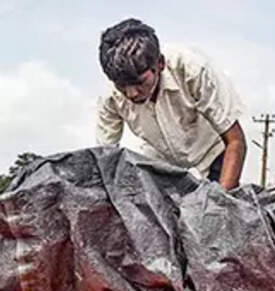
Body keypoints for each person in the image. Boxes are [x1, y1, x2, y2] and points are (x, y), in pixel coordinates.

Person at [96, 18, 248, 191]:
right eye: (121, 85)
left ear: (159, 63)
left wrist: (221, 204)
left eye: (139, 82)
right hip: (160, 158)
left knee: (217, 210)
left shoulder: (193, 70)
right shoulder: (110, 97)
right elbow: (105, 158)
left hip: (211, 152)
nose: (131, 93)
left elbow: (235, 140)